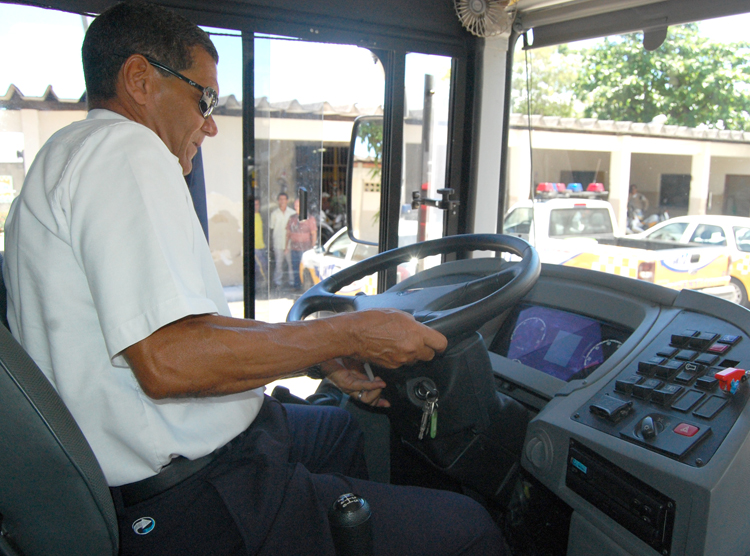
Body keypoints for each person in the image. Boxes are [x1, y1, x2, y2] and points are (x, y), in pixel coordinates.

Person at [1, 3, 508, 556]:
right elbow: (169, 360)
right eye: (204, 99)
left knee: (343, 430)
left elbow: (190, 331)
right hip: (198, 495)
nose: (211, 123)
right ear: (140, 79)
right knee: (471, 528)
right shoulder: (125, 148)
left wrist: (319, 355)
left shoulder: (62, 156)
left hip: (201, 456)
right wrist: (352, 334)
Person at [286, 197, 318, 290]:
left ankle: (305, 288)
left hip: (305, 249)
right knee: (295, 268)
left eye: (298, 205)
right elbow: (288, 233)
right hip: (294, 248)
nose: (296, 207)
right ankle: (297, 286)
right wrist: (286, 247)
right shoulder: (292, 218)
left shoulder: (310, 218)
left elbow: (314, 234)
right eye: (295, 205)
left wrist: (312, 248)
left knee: (305, 269)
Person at [270, 192, 295, 289]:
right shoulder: (274, 214)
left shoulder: (292, 213)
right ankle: (278, 282)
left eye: (284, 199)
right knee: (278, 264)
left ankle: (292, 282)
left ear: (287, 200)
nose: (282, 201)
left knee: (291, 264)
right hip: (278, 243)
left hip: (290, 244)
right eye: (280, 199)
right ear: (278, 201)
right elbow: (272, 228)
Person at [254, 197, 269, 290]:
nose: (256, 206)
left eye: (257, 204)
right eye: (254, 204)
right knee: (260, 266)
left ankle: (264, 283)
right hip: (255, 246)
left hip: (262, 245)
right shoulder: (250, 217)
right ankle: (261, 284)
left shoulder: (261, 216)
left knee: (264, 265)